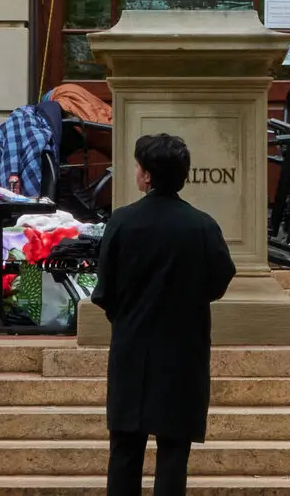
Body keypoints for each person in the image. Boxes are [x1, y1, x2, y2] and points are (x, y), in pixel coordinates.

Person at [93, 133, 237, 496]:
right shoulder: (202, 226)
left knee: (125, 449)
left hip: (132, 347)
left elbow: (105, 291)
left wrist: (126, 316)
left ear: (146, 177)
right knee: (174, 453)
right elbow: (219, 280)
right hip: (183, 350)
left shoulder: (122, 222)